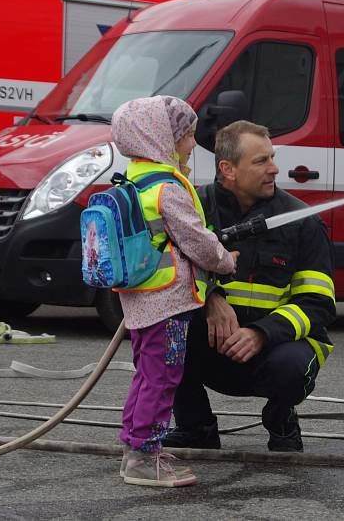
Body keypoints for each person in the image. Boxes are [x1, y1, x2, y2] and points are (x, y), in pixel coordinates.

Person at [163, 120, 336, 452]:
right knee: (159, 335)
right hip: (210, 346)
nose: (275, 168)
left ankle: (280, 417)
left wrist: (262, 333)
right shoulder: (190, 211)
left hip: (273, 350)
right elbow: (163, 275)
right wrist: (211, 296)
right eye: (261, 161)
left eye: (271, 157)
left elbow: (318, 304)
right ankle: (196, 426)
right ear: (228, 169)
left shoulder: (302, 222)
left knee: (292, 368)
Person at [112, 96, 238, 487]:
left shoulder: (136, 177)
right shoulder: (168, 187)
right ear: (160, 138)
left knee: (148, 375)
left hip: (140, 299)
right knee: (163, 376)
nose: (189, 145)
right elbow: (198, 242)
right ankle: (143, 460)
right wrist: (226, 261)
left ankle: (136, 447)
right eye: (184, 137)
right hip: (166, 302)